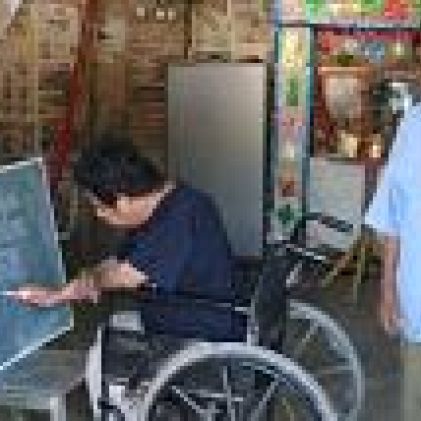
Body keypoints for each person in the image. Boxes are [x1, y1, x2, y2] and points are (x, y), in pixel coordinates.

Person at [365, 103, 421, 421]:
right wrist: (387, 288)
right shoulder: (414, 124)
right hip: (417, 297)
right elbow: (392, 211)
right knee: (413, 401)